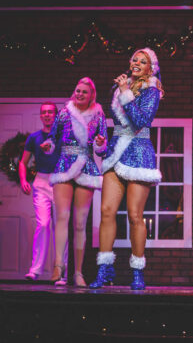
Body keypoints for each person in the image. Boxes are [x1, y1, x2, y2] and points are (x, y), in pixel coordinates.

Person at [89, 48, 164, 291]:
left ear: (150, 68)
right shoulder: (119, 88)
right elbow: (120, 124)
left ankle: (137, 271)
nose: (137, 63)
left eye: (143, 61)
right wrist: (102, 143)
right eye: (134, 59)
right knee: (107, 210)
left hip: (139, 152)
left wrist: (124, 93)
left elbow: (141, 120)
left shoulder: (152, 90)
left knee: (134, 215)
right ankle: (104, 268)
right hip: (116, 152)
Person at [41, 78, 107, 287]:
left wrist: (100, 143)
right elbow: (53, 137)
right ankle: (58, 265)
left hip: (86, 166)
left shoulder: (98, 115)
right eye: (77, 91)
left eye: (84, 92)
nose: (79, 94)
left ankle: (78, 272)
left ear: (91, 96)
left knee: (80, 223)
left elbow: (103, 145)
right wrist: (48, 145)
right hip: (65, 165)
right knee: (62, 216)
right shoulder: (64, 113)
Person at [19, 102, 67, 281]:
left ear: (55, 115)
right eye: (44, 112)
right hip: (41, 182)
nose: (47, 115)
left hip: (61, 182)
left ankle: (62, 273)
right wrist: (24, 180)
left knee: (61, 227)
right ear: (41, 116)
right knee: (44, 224)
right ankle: (35, 270)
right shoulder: (34, 137)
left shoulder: (62, 136)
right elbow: (23, 162)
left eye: (50, 112)